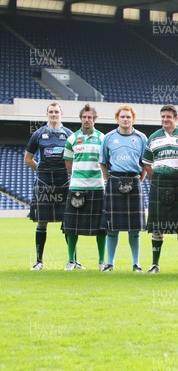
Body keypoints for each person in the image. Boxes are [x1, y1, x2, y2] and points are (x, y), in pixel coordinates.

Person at [142, 105, 178, 273]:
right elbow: (147, 164)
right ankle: (155, 264)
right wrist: (157, 178)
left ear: (176, 118)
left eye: (169, 117)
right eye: (163, 117)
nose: (165, 119)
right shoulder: (153, 138)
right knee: (157, 227)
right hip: (159, 184)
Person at [24, 102, 73, 271]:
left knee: (68, 221)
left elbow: (76, 158)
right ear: (47, 114)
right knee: (41, 221)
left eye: (56, 112)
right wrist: (42, 170)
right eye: (51, 112)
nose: (54, 114)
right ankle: (39, 261)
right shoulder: (38, 134)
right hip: (44, 181)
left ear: (62, 114)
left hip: (64, 181)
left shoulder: (69, 134)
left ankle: (72, 261)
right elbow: (28, 159)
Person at [99, 105, 148, 272]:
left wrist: (137, 181)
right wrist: (110, 179)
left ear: (133, 119)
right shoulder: (108, 138)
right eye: (122, 117)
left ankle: (136, 263)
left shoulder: (142, 138)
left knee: (134, 228)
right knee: (112, 226)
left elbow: (145, 164)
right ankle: (110, 263)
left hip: (134, 180)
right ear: (117, 118)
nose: (125, 119)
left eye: (128, 117)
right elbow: (103, 162)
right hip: (114, 180)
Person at [62, 104, 106, 271]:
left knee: (101, 227)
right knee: (71, 226)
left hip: (97, 187)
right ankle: (71, 261)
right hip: (77, 187)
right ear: (80, 119)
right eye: (84, 117)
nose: (87, 120)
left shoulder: (103, 138)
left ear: (95, 119)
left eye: (90, 117)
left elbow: (105, 162)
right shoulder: (72, 139)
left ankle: (102, 262)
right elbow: (68, 164)